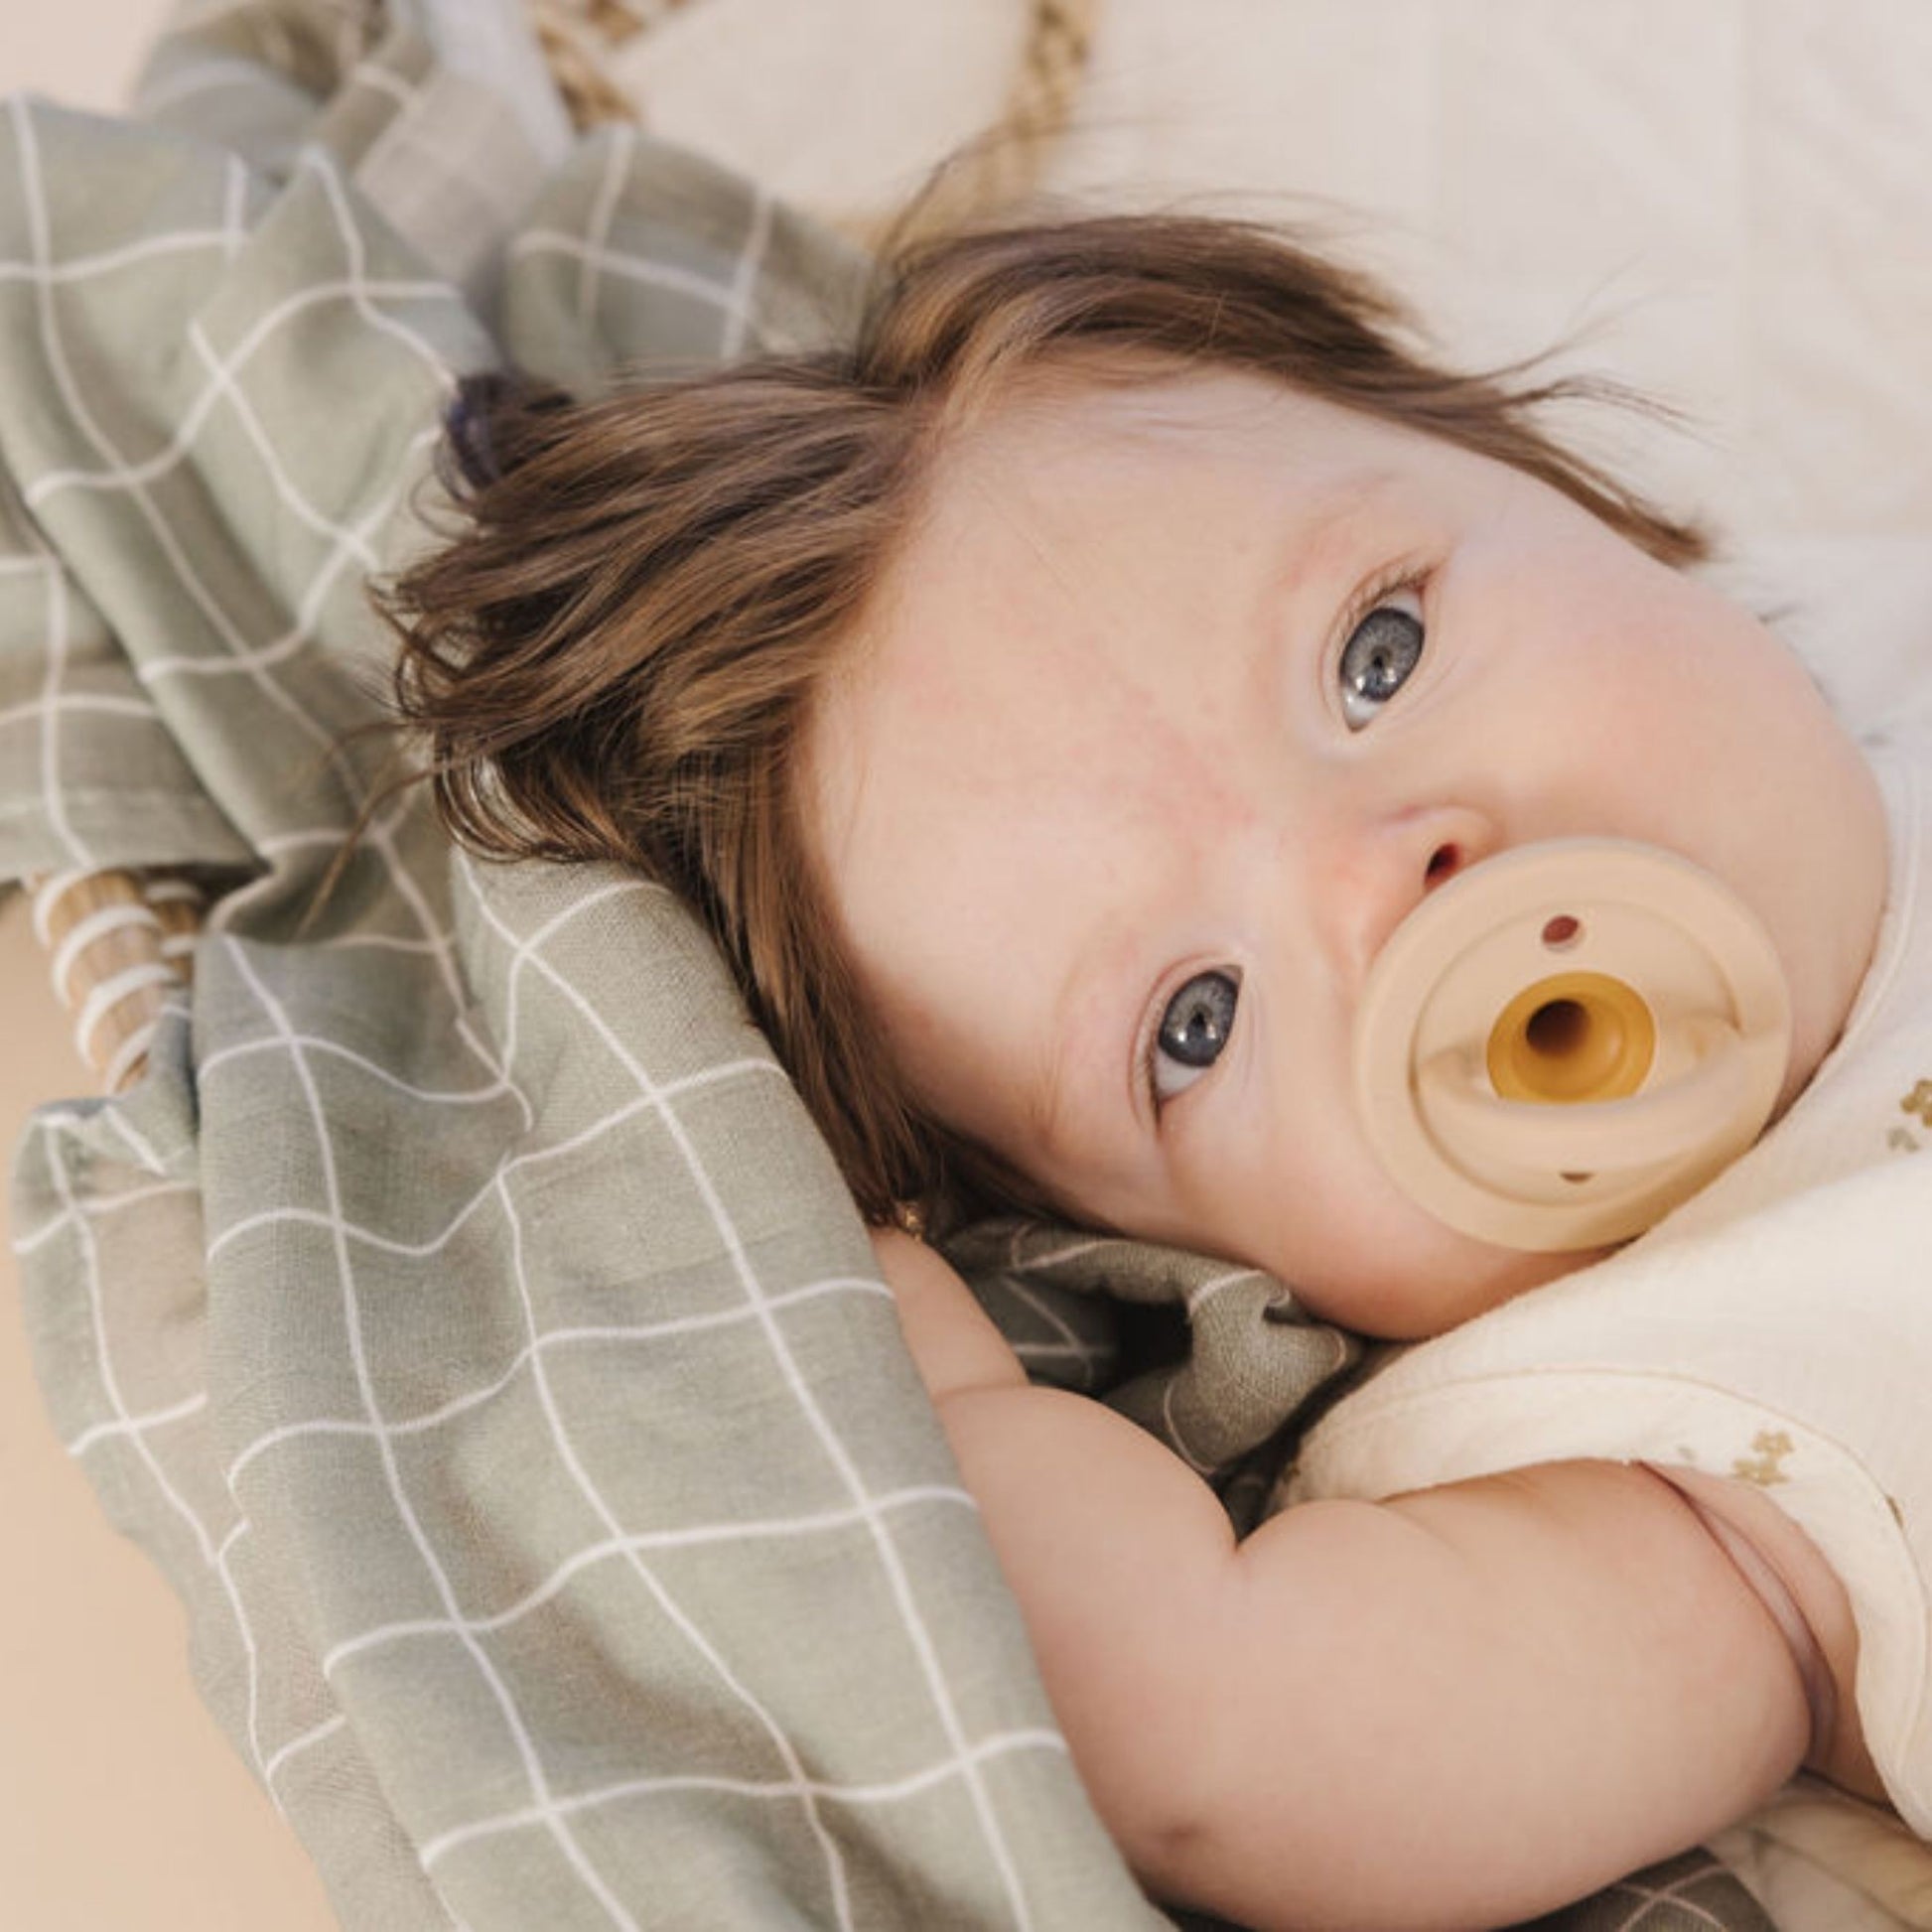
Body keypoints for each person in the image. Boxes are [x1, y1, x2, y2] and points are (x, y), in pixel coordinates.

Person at [377, 211, 1927, 1929]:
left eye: (1375, 656)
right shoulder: (1674, 1462)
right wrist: (937, 1397)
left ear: (1570, 489)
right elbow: (1219, 1731)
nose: (1374, 883)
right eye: (1194, 1020)